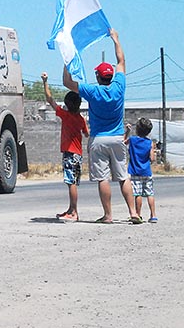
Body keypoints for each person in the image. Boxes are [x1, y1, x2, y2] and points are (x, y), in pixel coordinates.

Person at [63, 28, 142, 224]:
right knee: (124, 177)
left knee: (103, 178)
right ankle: (133, 213)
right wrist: (116, 40)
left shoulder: (92, 91)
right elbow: (121, 61)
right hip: (117, 137)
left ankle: (108, 215)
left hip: (98, 139)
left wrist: (67, 58)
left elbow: (67, 82)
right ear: (111, 76)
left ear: (98, 77)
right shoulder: (119, 87)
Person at [42, 72, 88, 221]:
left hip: (70, 153)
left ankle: (74, 212)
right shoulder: (80, 119)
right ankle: (70, 209)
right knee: (72, 181)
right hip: (78, 154)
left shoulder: (65, 115)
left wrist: (45, 82)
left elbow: (50, 99)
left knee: (71, 182)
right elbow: (87, 134)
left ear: (67, 104)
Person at [124, 118, 157, 223]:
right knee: (149, 193)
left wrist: (127, 131)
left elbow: (123, 141)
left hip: (134, 171)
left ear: (137, 129)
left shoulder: (132, 140)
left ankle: (138, 214)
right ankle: (153, 215)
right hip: (146, 172)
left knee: (137, 194)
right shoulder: (150, 143)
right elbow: (152, 159)